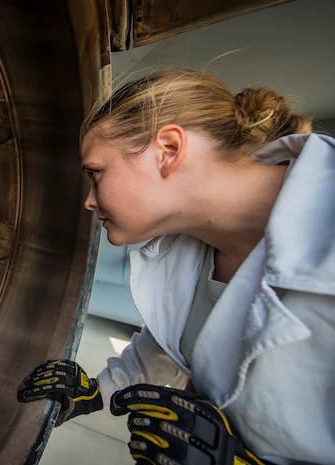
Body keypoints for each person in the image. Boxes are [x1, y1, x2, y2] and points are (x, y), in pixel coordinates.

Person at [17, 67, 335, 465]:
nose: (89, 201)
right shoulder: (193, 247)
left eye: (95, 173)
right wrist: (97, 392)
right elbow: (175, 346)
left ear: (167, 149)